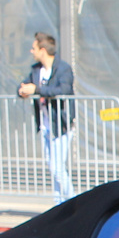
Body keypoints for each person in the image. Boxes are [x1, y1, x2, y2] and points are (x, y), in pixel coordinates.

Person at [18, 31, 75, 202]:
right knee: (53, 168)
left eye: (34, 48)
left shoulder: (63, 69)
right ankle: (59, 205)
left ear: (42, 50)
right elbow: (25, 86)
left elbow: (63, 90)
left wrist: (37, 90)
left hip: (61, 124)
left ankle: (73, 201)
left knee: (58, 168)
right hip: (45, 125)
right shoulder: (36, 71)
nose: (31, 51)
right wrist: (23, 91)